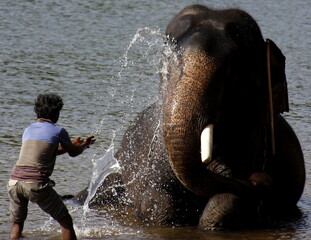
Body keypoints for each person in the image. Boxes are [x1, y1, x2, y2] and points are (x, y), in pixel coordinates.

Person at [7, 93, 96, 240]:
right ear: (56, 113)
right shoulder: (59, 130)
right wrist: (83, 146)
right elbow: (73, 153)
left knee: (17, 223)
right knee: (65, 220)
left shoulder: (28, 129)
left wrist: (71, 145)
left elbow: (47, 152)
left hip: (14, 181)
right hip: (35, 183)